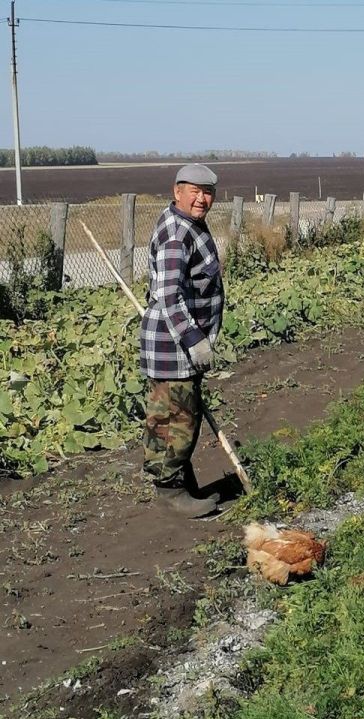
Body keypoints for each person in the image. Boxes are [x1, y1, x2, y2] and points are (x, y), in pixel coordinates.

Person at [139, 164, 225, 518]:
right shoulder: (177, 233)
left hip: (178, 347)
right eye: (195, 191)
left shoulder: (189, 225)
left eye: (208, 193)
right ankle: (171, 491)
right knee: (176, 419)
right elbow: (170, 294)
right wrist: (194, 340)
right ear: (177, 192)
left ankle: (180, 479)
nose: (202, 199)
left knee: (180, 415)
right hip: (173, 346)